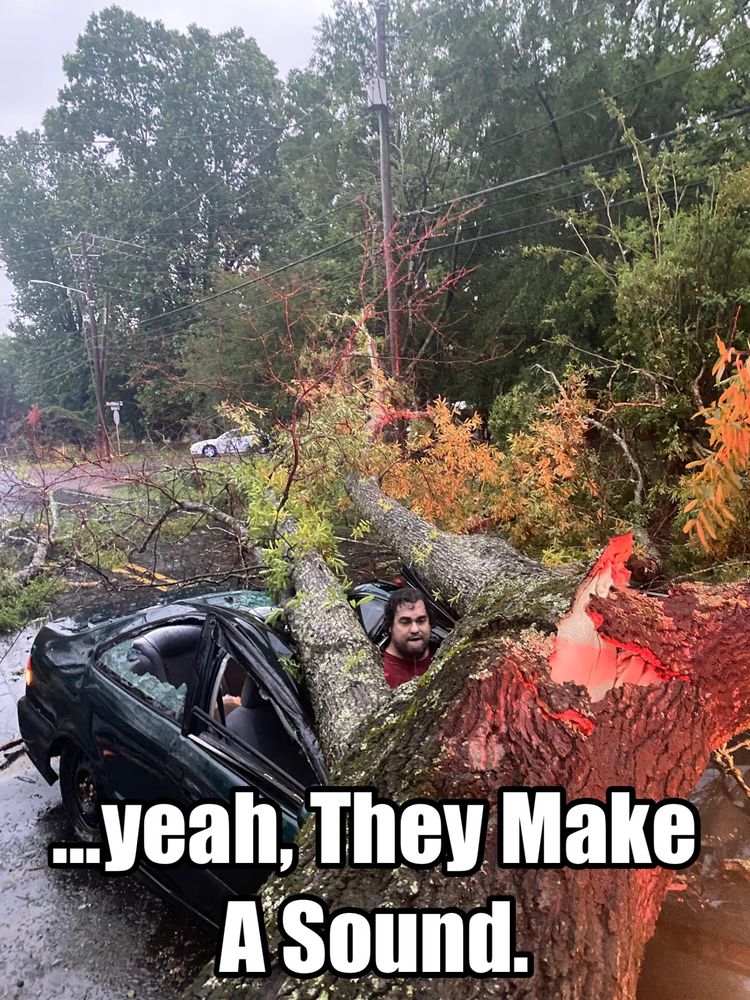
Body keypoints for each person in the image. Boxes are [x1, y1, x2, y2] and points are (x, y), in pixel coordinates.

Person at [382, 587, 433, 688]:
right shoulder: (380, 674)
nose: (415, 630)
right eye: (405, 622)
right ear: (390, 627)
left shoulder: (448, 653)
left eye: (421, 620)